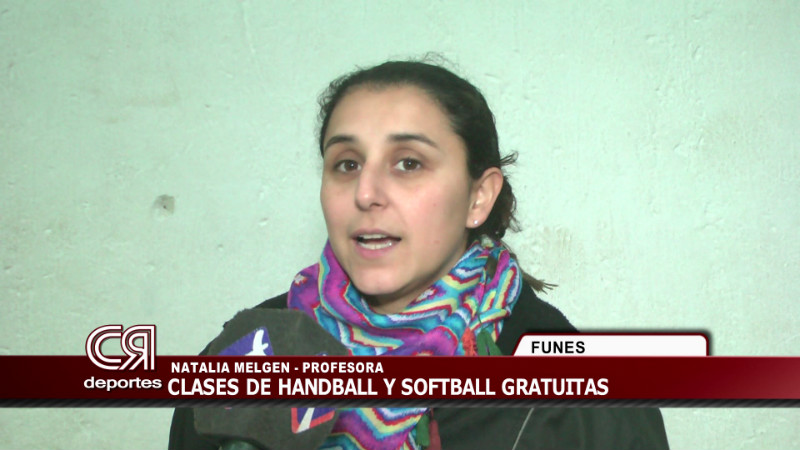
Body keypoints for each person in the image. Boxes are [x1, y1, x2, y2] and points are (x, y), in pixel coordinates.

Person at [169, 59, 669, 449]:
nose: (366, 193)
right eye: (346, 164)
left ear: (478, 197)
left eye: (408, 163)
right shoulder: (244, 357)